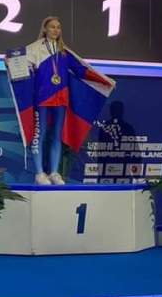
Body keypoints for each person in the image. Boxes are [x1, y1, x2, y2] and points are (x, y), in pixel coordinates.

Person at [17, 16, 115, 186]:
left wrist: (102, 80)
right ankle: (39, 173)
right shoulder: (34, 49)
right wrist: (9, 62)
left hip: (61, 98)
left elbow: (81, 70)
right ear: (45, 29)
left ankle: (54, 172)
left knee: (57, 136)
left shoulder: (64, 52)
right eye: (52, 27)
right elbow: (18, 63)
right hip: (42, 98)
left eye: (58, 27)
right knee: (40, 135)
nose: (56, 30)